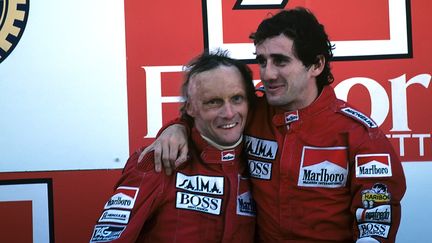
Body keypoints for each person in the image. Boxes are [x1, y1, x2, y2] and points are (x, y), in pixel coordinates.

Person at [142, 7, 406, 243]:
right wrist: (177, 127)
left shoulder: (359, 134)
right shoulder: (251, 112)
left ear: (316, 64)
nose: (267, 73)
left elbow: (377, 213)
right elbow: (207, 116)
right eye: (262, 61)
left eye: (280, 61)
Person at [89, 50, 257, 242]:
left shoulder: (263, 162)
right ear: (190, 108)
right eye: (213, 102)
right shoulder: (159, 160)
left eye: (237, 98)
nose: (228, 113)